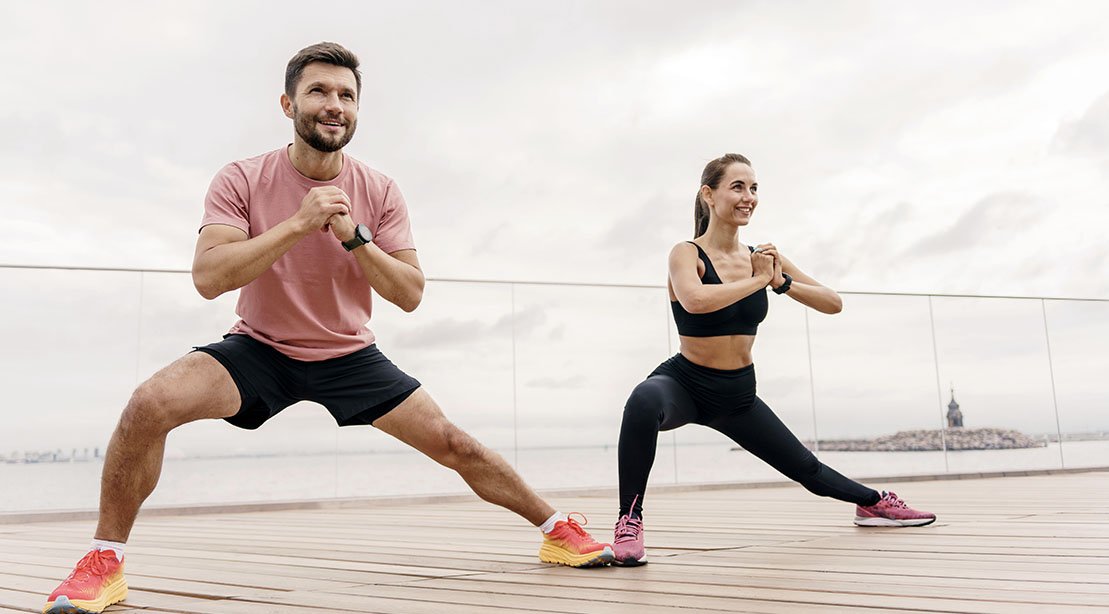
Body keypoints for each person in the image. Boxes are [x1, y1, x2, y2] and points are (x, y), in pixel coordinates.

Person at [43, 42, 612, 614]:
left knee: (455, 443)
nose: (333, 104)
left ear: (357, 111)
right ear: (288, 104)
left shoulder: (381, 190)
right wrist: (298, 223)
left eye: (347, 95)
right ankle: (104, 562)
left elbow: (410, 294)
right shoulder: (241, 177)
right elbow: (208, 277)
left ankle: (556, 529)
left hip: (348, 354)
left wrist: (354, 237)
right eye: (318, 91)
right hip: (258, 348)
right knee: (149, 404)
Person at [611, 153, 935, 567]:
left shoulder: (763, 258)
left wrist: (780, 281)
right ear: (708, 195)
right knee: (642, 401)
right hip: (685, 383)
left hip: (737, 395)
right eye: (738, 187)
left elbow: (833, 303)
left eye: (754, 188)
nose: (748, 197)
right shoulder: (686, 253)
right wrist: (759, 279)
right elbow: (694, 300)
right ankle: (629, 521)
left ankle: (872, 503)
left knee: (808, 471)